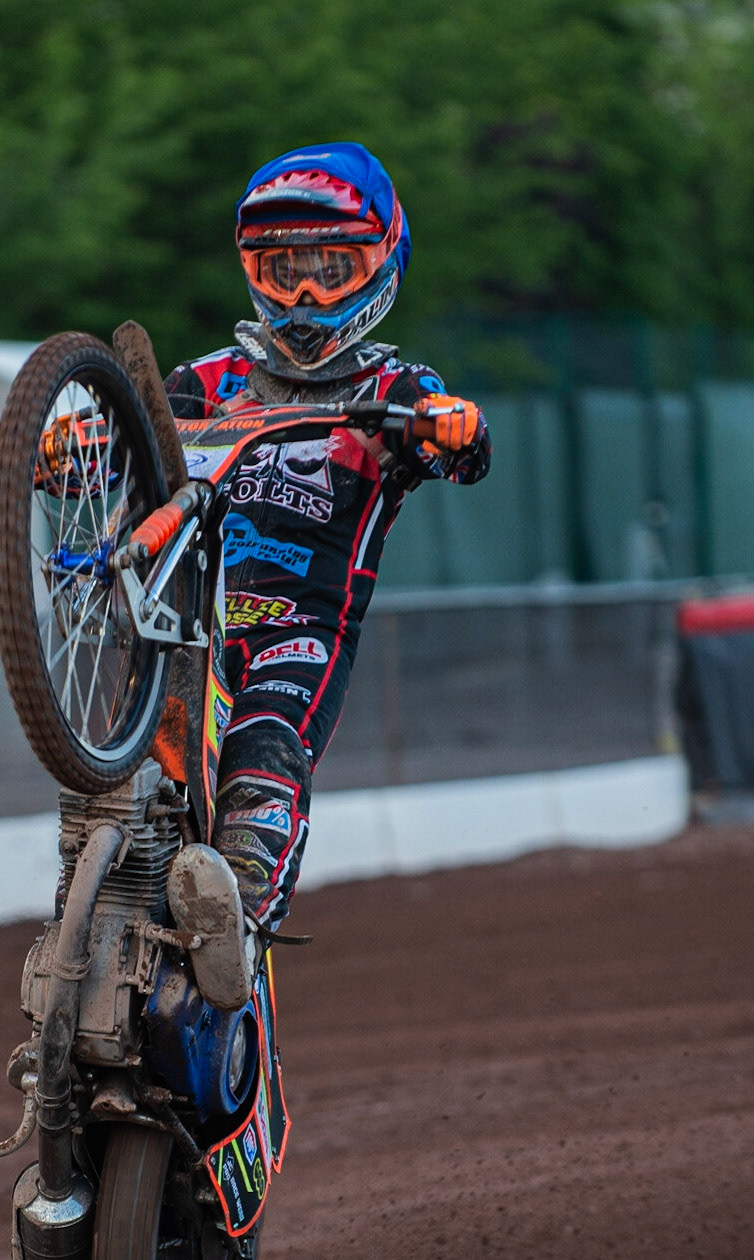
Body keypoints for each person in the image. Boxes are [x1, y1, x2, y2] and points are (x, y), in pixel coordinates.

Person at [165, 142, 492, 1009]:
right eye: (285, 272)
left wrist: (450, 426)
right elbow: (128, 449)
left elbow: (463, 448)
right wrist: (65, 448)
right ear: (254, 273)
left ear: (379, 266)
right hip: (184, 629)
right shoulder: (206, 381)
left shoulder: (394, 385)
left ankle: (235, 920)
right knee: (121, 787)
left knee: (264, 753)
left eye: (330, 269)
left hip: (298, 634)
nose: (305, 295)